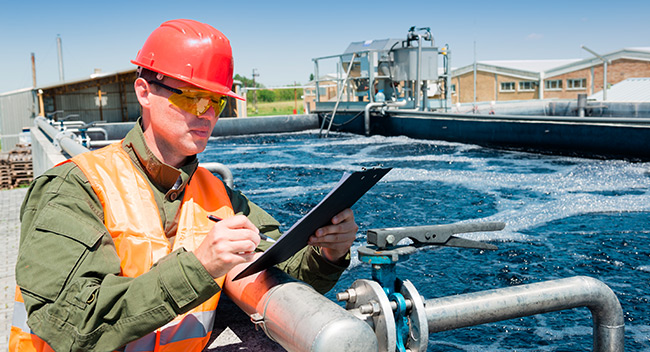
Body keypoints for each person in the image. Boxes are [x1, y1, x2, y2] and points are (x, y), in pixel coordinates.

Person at [10, 19, 358, 352]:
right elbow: (74, 326)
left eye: (216, 102)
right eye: (192, 97)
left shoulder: (218, 194)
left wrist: (328, 252)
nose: (206, 113)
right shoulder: (72, 189)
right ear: (144, 92)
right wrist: (202, 266)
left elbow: (285, 274)